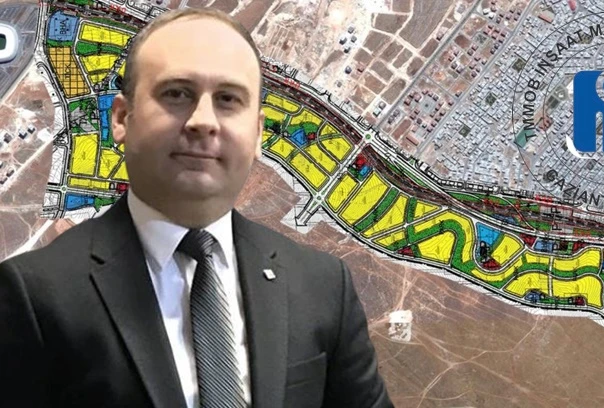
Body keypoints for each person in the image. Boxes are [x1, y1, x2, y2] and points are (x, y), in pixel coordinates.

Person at [0, 8, 393, 408]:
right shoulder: (35, 297)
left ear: (258, 133)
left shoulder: (323, 286)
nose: (203, 121)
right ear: (121, 118)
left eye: (228, 99)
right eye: (176, 94)